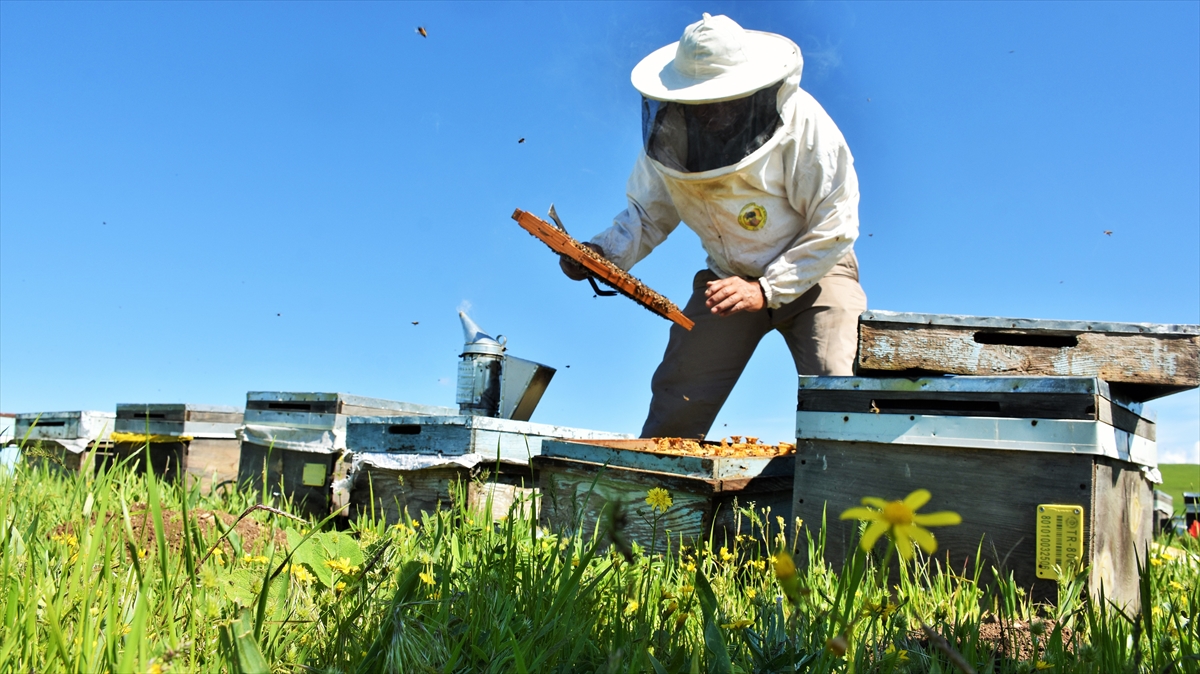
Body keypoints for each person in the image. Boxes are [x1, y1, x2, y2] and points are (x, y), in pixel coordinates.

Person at [561, 13, 867, 439]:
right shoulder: (667, 140)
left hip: (815, 269)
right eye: (700, 101)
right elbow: (647, 214)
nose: (713, 112)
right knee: (678, 401)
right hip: (727, 281)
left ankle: (851, 482)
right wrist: (600, 253)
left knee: (841, 391)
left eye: (723, 100)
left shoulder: (805, 124)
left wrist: (766, 290)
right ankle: (658, 483)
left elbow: (835, 222)